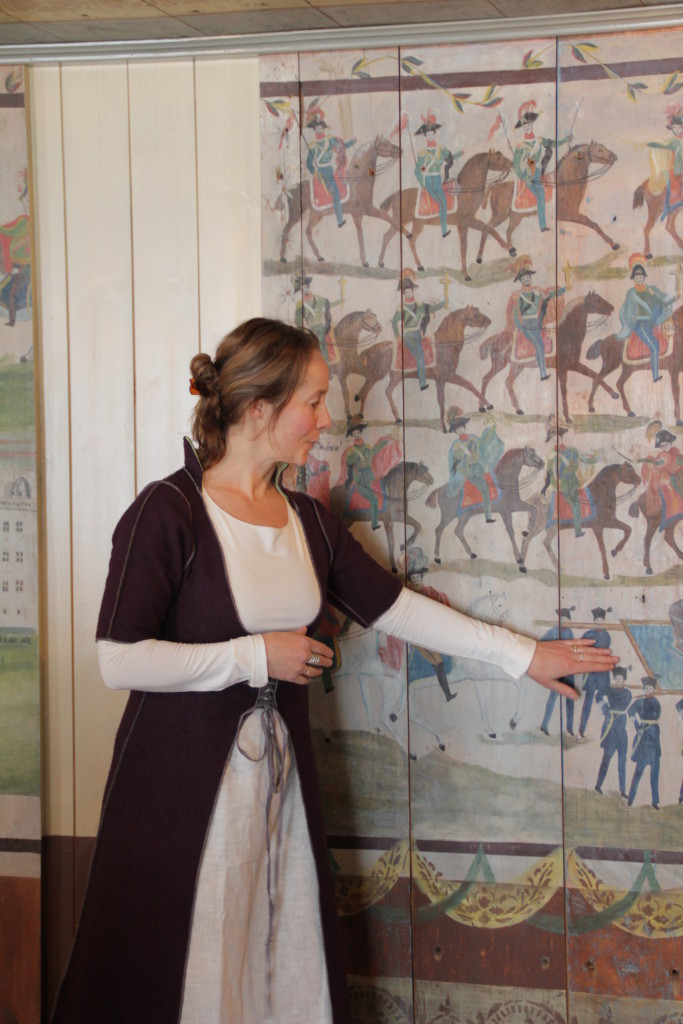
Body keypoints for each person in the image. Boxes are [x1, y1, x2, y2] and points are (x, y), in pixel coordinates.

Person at [50, 318, 618, 1024]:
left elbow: (396, 608)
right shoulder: (168, 512)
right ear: (261, 407)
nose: (325, 421)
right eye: (313, 403)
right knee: (193, 963)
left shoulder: (307, 520)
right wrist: (257, 656)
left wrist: (523, 655)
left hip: (278, 788)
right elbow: (118, 658)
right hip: (176, 795)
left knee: (277, 957)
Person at [615, 254, 675, 383]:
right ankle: (655, 375)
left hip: (651, 323)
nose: (639, 279)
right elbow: (628, 311)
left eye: (641, 277)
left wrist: (675, 298)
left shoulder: (651, 290)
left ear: (644, 277)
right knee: (654, 345)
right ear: (633, 278)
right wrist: (632, 321)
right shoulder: (631, 294)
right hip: (639, 325)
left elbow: (662, 303)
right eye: (637, 277)